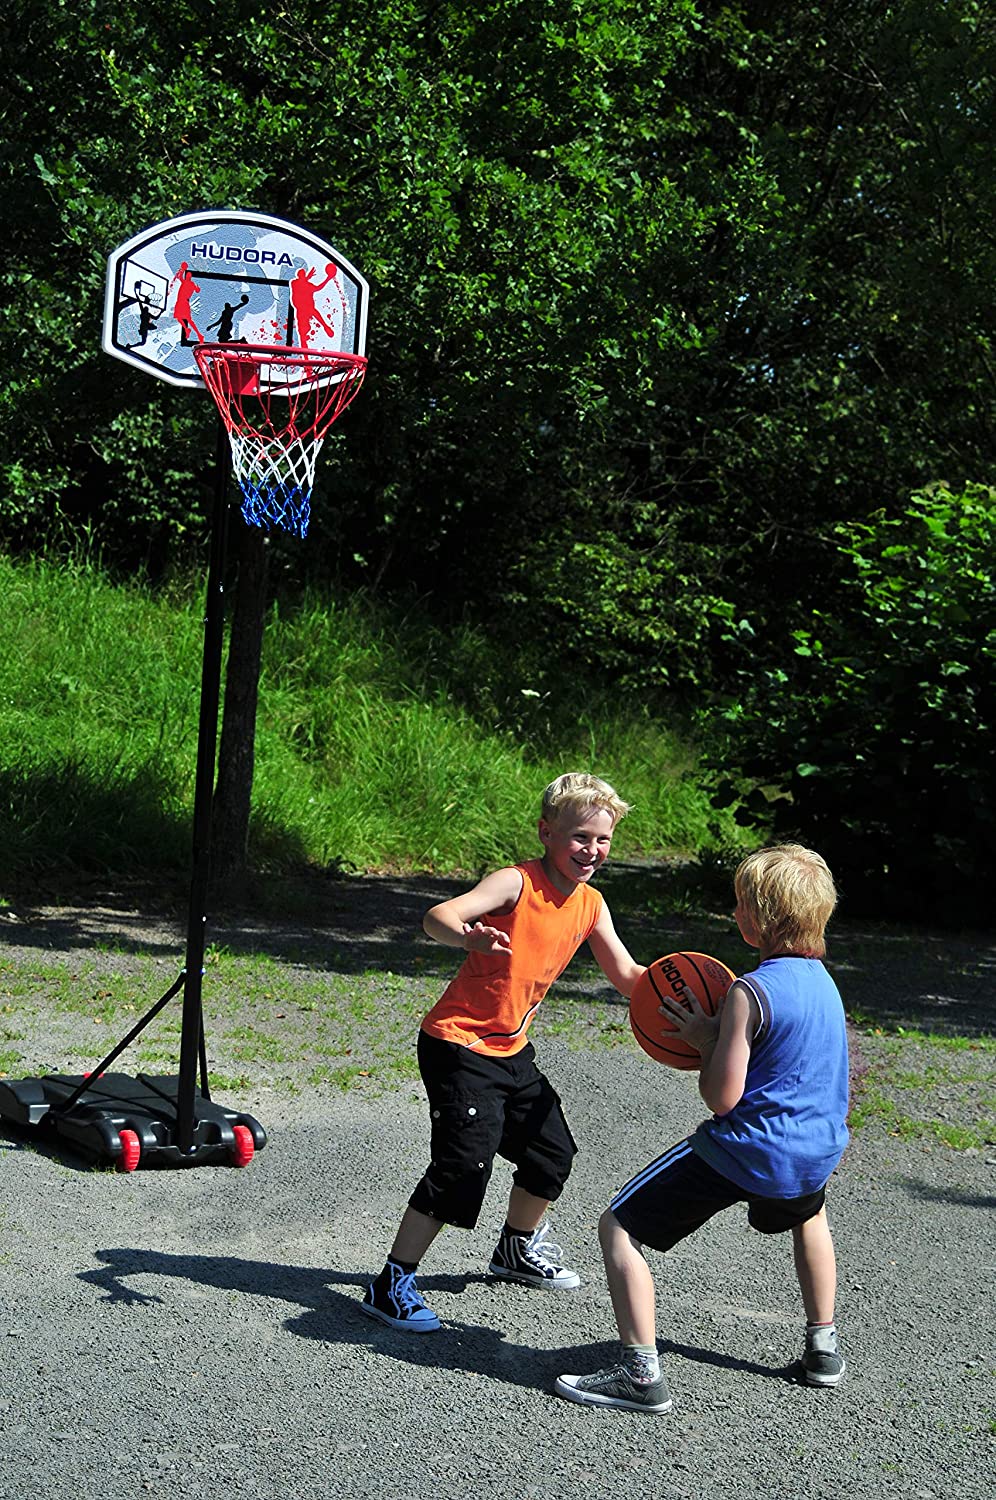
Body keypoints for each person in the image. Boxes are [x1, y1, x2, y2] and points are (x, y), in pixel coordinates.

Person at [556, 843, 849, 1413]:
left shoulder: (749, 992)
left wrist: (705, 1040)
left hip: (747, 1149)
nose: (735, 913)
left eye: (740, 904)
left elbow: (722, 1097)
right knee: (809, 1214)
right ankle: (823, 1347)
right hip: (815, 1151)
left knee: (618, 1226)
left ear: (758, 919)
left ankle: (641, 1375)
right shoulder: (825, 984)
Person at [361, 772, 646, 1334]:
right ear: (546, 832)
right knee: (463, 1163)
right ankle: (390, 1283)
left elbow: (629, 975)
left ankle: (514, 1249)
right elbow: (438, 916)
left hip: (510, 1049)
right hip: (458, 1044)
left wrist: (703, 1003)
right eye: (579, 838)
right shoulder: (515, 883)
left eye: (603, 840)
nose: (592, 851)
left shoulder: (590, 904)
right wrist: (470, 937)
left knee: (551, 1150)